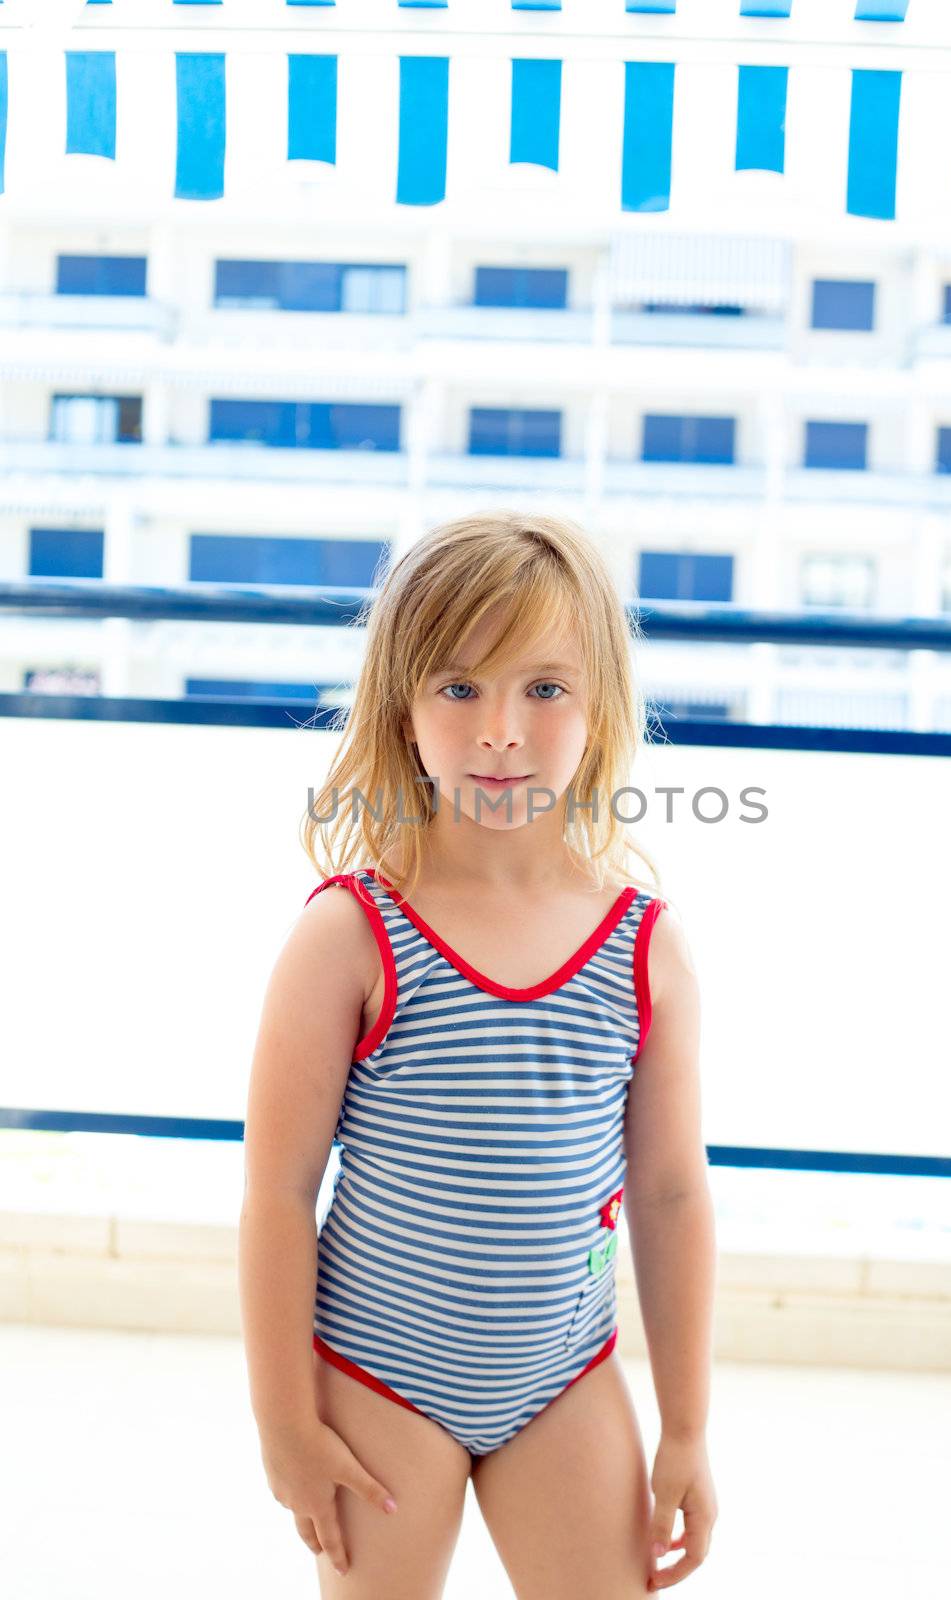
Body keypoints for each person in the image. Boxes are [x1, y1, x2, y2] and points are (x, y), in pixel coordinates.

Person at [238, 509, 718, 1598]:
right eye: (459, 688)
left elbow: (671, 1192)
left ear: (597, 711)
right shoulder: (349, 933)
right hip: (377, 1376)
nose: (500, 729)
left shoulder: (644, 947)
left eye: (543, 688)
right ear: (401, 712)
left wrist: (683, 1428)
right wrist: (282, 1421)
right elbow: (276, 1191)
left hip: (565, 1375)